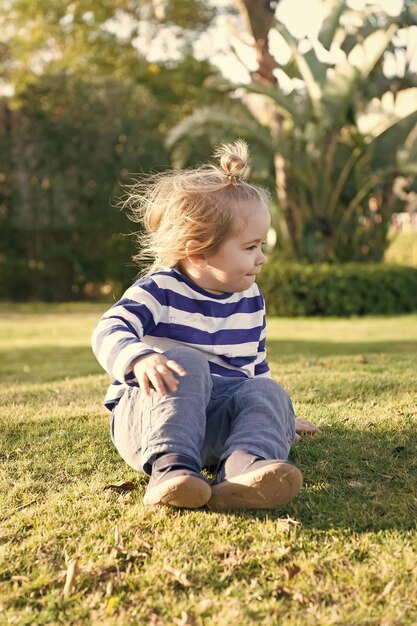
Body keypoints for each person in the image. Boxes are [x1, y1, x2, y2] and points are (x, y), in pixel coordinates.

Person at [92, 140, 317, 511]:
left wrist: (277, 415)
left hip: (213, 425)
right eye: (250, 247)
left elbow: (255, 369)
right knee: (188, 362)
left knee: (269, 391)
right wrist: (139, 360)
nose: (262, 258)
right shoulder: (160, 288)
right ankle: (172, 471)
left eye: (262, 245)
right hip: (151, 420)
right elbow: (109, 327)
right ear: (198, 248)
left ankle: (245, 469)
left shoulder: (250, 298)